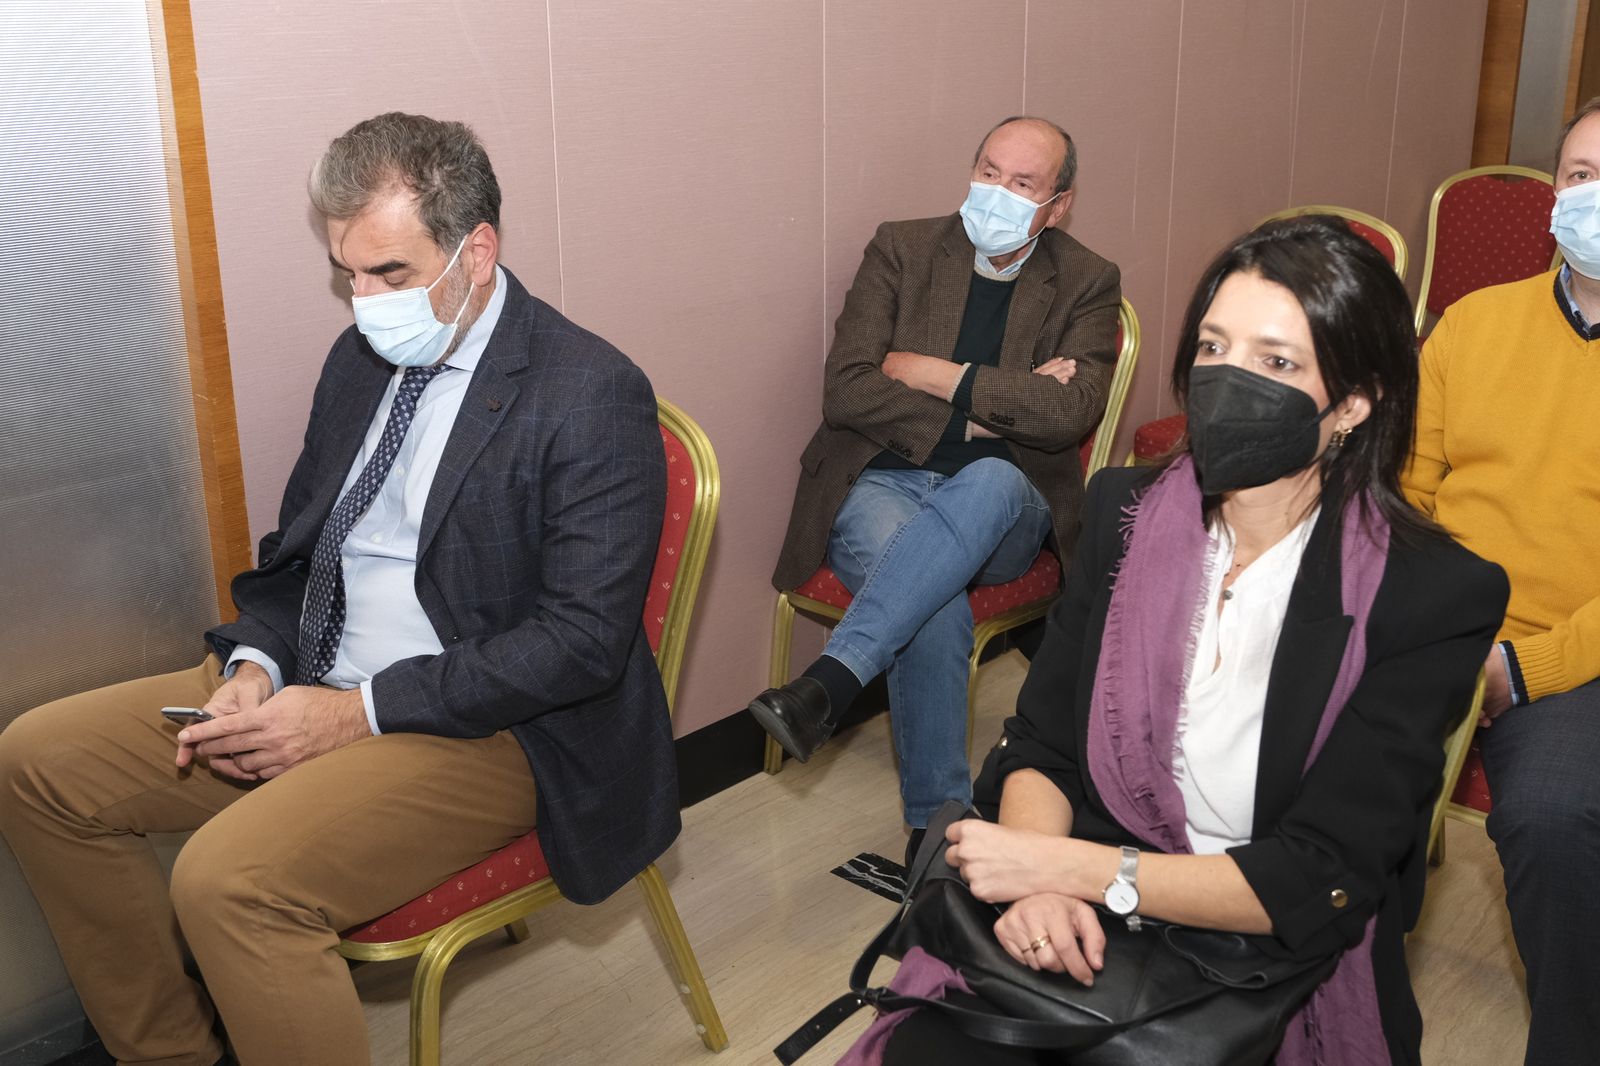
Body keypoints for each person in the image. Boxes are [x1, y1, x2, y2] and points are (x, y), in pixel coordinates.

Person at [0, 113, 677, 1066]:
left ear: (475, 251)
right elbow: (302, 555)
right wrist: (255, 665)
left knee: (230, 883)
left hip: (488, 724)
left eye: (390, 274)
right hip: (318, 676)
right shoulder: (363, 362)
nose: (363, 300)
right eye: (346, 272)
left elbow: (577, 643)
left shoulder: (588, 391)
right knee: (39, 762)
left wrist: (352, 714)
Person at [858, 217, 1508, 1065]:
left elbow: (1319, 874)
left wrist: (1070, 871)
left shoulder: (1431, 594)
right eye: (1213, 347)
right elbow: (1044, 742)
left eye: (1277, 363)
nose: (1229, 382)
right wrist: (1042, 883)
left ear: (1353, 402)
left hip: (1265, 962)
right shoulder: (1124, 515)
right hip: (1076, 910)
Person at [748, 116, 1121, 847]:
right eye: (988, 171)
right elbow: (847, 389)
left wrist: (925, 370)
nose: (997, 193)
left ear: (1059, 204)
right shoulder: (903, 247)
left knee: (989, 483)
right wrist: (997, 405)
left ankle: (833, 680)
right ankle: (936, 831)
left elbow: (1066, 413)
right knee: (935, 599)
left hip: (1004, 508)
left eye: (1022, 184)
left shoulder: (1086, 280)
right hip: (878, 486)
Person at [1401, 99, 1600, 1066]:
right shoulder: (1474, 323)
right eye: (1578, 175)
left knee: (1553, 817)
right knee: (1281, 746)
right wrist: (1430, 628)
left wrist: (1517, 670)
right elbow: (1409, 489)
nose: (1590, 197)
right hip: (1440, 619)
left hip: (1572, 651)